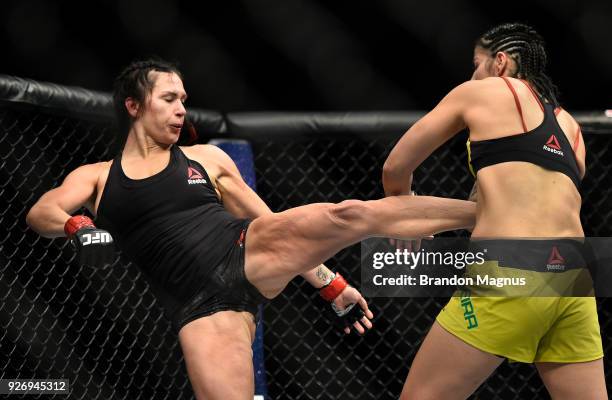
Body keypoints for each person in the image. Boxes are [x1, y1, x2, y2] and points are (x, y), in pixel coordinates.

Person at [26, 59, 476, 399]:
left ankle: (484, 212)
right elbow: (42, 210)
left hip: (245, 250)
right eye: (169, 99)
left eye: (184, 99)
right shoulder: (99, 175)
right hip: (202, 308)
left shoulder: (207, 158)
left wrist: (330, 283)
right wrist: (79, 226)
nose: (182, 108)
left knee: (347, 214)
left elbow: (268, 220)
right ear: (134, 105)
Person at [383, 22, 606, 400]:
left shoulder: (482, 92)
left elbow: (395, 168)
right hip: (573, 282)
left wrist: (405, 215)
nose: (473, 74)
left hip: (511, 273)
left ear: (500, 62)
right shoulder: (571, 129)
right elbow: (532, 198)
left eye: (477, 63)